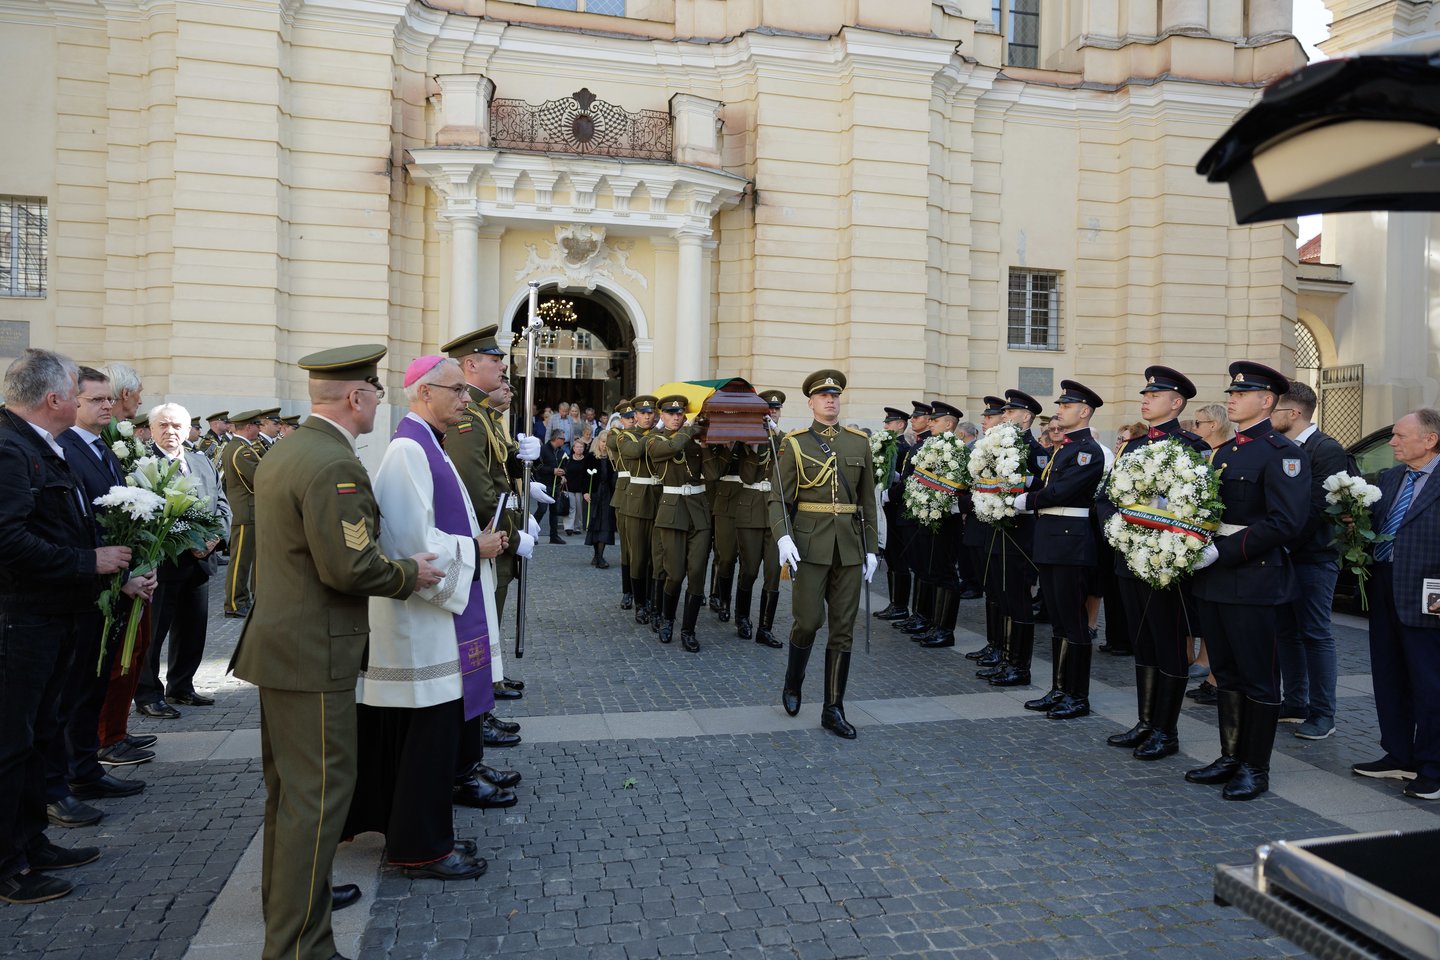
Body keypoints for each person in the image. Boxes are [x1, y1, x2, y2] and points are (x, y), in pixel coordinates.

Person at [229, 343, 442, 960]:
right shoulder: (334, 465)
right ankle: (301, 947)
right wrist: (410, 573)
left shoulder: (291, 448)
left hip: (284, 647)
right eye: (375, 391)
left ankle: (289, 910)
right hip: (313, 653)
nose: (378, 402)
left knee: (291, 797)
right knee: (317, 801)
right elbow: (350, 568)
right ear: (356, 396)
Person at [346, 355, 511, 882]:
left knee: (434, 739)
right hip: (421, 629)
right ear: (424, 392)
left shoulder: (429, 446)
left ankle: (425, 836)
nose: (466, 399)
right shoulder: (407, 451)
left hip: (438, 624)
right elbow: (409, 544)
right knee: (425, 742)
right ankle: (422, 849)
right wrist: (475, 547)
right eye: (457, 390)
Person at [0, 348, 131, 905]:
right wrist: (87, 562)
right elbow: (7, 539)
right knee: (11, 744)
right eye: (77, 392)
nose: (82, 400)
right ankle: (8, 866)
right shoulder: (10, 449)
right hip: (21, 620)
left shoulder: (37, 445)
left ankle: (31, 843)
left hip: (49, 616)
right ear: (54, 399)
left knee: (36, 736)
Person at [1186, 361, 1309, 802]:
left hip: (1254, 579)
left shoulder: (1283, 453)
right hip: (1215, 578)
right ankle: (1231, 755)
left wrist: (1222, 551)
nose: (1232, 399)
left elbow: (1285, 522)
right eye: (1232, 393)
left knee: (1258, 677)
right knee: (1226, 673)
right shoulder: (1225, 453)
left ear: (1267, 400)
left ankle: (1255, 767)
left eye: (1241, 394)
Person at [47, 368, 154, 826]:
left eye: (109, 399)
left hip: (113, 580)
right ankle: (71, 774)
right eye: (96, 400)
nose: (107, 406)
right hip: (88, 586)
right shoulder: (67, 449)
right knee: (75, 689)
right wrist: (119, 576)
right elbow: (82, 526)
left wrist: (137, 569)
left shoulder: (102, 447)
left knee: (93, 682)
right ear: (73, 402)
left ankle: (86, 768)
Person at [1096, 366, 1208, 759]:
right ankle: (1146, 722)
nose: (1145, 400)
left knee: (1169, 643)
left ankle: (1166, 730)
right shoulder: (1134, 446)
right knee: (1142, 642)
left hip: (1166, 562)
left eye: (1155, 396)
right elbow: (1107, 496)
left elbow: (1199, 506)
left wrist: (1169, 544)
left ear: (1176, 403)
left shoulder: (1192, 446)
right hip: (1129, 556)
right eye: (1145, 395)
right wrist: (1115, 528)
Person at [770, 370, 878, 739]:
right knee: (808, 621)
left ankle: (833, 708)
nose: (830, 400)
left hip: (849, 546)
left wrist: (871, 548)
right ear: (811, 402)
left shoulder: (858, 442)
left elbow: (867, 501)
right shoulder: (795, 443)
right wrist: (783, 538)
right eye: (823, 396)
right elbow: (779, 499)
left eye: (835, 395)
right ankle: (793, 680)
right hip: (809, 545)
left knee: (843, 629)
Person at [1351, 408, 1440, 800]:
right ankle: (1398, 753)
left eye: (1401, 436)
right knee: (1389, 675)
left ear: (1430, 440)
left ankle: (1433, 767)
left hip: (1429, 592)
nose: (1392, 442)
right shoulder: (1390, 477)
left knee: (1430, 682)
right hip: (1384, 585)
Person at [1013, 381, 1105, 718]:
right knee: (1058, 621)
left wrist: (1026, 500)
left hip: (1069, 541)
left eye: (1066, 406)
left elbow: (1062, 492)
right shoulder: (1064, 448)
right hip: (1052, 538)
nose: (1059, 411)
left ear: (1084, 412)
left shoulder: (1087, 451)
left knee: (1073, 621)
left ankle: (1077, 696)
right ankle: (1059, 688)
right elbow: (1049, 485)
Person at [135, 403, 230, 713]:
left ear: (188, 430)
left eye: (176, 426)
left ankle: (181, 687)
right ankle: (148, 695)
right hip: (163, 565)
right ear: (151, 430)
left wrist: (216, 537)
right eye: (162, 425)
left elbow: (222, 504)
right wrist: (188, 540)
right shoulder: (141, 465)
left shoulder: (201, 462)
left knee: (192, 630)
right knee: (153, 634)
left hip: (200, 562)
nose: (170, 431)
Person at [1271, 381, 1350, 741]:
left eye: (1274, 410)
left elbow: (1318, 507)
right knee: (1286, 632)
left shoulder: (1326, 448)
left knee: (1315, 634)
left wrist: (1281, 544)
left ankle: (1323, 713)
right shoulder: (1280, 447)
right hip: (1285, 554)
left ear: (1294, 412)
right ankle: (1295, 702)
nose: (1269, 417)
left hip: (1313, 556)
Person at [646, 395, 722, 651]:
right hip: (672, 513)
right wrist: (690, 430)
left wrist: (705, 446)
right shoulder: (656, 439)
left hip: (698, 512)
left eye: (680, 413)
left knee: (697, 573)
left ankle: (688, 630)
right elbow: (669, 449)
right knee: (675, 573)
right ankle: (668, 620)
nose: (676, 417)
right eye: (671, 413)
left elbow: (712, 475)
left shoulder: (694, 440)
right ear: (662, 416)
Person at [987, 390, 1045, 690]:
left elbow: (1043, 485)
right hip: (999, 528)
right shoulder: (999, 446)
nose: (1005, 415)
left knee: (1018, 598)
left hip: (1021, 531)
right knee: (1003, 595)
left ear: (1026, 417)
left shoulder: (1035, 450)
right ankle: (1005, 656)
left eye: (1010, 412)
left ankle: (1019, 666)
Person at [914, 401, 965, 649]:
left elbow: (959, 484)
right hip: (929, 517)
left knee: (945, 573)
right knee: (931, 570)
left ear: (948, 424)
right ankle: (934, 623)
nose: (930, 422)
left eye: (935, 420)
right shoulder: (931, 446)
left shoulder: (957, 450)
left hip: (946, 521)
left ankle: (945, 630)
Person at [962, 397, 1008, 665]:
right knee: (990, 589)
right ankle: (993, 644)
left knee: (1000, 590)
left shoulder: (1011, 448)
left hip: (997, 526)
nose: (984, 421)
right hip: (979, 524)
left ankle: (1004, 648)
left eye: (990, 417)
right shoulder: (985, 448)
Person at [615, 396, 661, 627]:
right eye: (643, 413)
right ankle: (640, 602)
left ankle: (653, 602)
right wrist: (658, 433)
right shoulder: (626, 436)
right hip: (636, 503)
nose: (647, 417)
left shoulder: (663, 435)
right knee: (639, 556)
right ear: (635, 415)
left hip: (660, 500)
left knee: (657, 557)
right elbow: (633, 451)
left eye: (651, 413)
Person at [219, 409, 263, 619]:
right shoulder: (241, 451)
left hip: (247, 510)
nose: (259, 429)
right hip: (245, 511)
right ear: (248, 427)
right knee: (240, 561)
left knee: (243, 560)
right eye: (257, 425)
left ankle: (239, 600)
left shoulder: (239, 447)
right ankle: (235, 603)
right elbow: (258, 478)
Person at [874, 407, 911, 621]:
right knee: (890, 556)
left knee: (898, 557)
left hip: (896, 509)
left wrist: (894, 478)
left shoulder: (904, 448)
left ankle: (900, 605)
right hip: (885, 509)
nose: (885, 425)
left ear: (900, 425)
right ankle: (894, 602)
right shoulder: (888, 446)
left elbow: (906, 479)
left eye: (889, 422)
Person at [583, 432, 617, 569]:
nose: (604, 445)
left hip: (608, 494)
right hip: (595, 493)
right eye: (603, 442)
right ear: (598, 442)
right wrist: (585, 491)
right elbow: (584, 476)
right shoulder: (591, 457)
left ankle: (600, 556)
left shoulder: (613, 459)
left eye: (607, 442)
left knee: (605, 524)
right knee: (595, 523)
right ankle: (597, 555)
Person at [536, 431, 569, 544]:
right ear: (556, 438)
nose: (564, 441)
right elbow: (538, 466)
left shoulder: (561, 452)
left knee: (554, 511)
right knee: (542, 509)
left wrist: (563, 473)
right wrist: (552, 471)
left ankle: (554, 536)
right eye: (562, 438)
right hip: (544, 484)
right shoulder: (543, 450)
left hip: (556, 485)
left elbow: (565, 466)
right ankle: (531, 532)